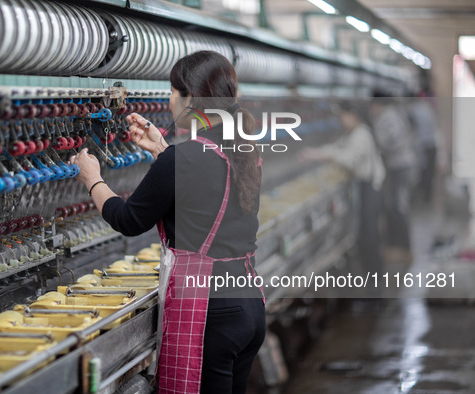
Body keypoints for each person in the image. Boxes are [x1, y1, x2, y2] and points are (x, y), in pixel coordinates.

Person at [70, 51, 266, 394]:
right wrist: (162, 150)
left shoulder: (184, 158)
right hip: (247, 304)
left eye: (173, 91)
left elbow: (127, 219)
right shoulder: (243, 147)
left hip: (210, 313)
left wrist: (92, 179)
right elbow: (203, 183)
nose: (170, 99)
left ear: (190, 97)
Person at [298, 102, 386, 286]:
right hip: (364, 185)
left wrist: (324, 156)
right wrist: (315, 153)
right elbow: (338, 148)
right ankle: (371, 280)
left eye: (343, 116)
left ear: (353, 115)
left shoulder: (362, 135)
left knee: (369, 235)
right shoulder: (354, 133)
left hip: (370, 187)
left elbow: (349, 159)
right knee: (365, 233)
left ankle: (374, 283)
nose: (341, 120)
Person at [370, 92, 416, 264]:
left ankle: (404, 248)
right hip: (400, 164)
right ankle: (399, 247)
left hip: (399, 165)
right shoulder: (395, 114)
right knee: (395, 205)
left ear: (376, 105)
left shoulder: (387, 117)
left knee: (397, 206)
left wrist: (375, 142)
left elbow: (387, 140)